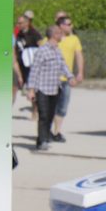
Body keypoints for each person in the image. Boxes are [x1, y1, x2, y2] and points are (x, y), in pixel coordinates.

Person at [25, 20, 71, 151]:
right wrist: (31, 90)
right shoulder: (42, 51)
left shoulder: (57, 50)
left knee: (50, 115)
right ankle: (41, 141)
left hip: (55, 88)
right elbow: (34, 71)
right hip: (43, 88)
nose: (61, 34)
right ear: (53, 35)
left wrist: (70, 77)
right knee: (44, 115)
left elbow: (63, 66)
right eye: (59, 33)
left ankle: (46, 136)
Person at [51, 11, 84, 143]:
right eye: (68, 24)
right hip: (52, 78)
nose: (71, 26)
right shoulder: (51, 38)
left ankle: (57, 131)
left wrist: (80, 72)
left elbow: (79, 55)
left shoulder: (74, 39)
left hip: (67, 79)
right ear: (61, 26)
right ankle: (46, 131)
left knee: (63, 107)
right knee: (50, 106)